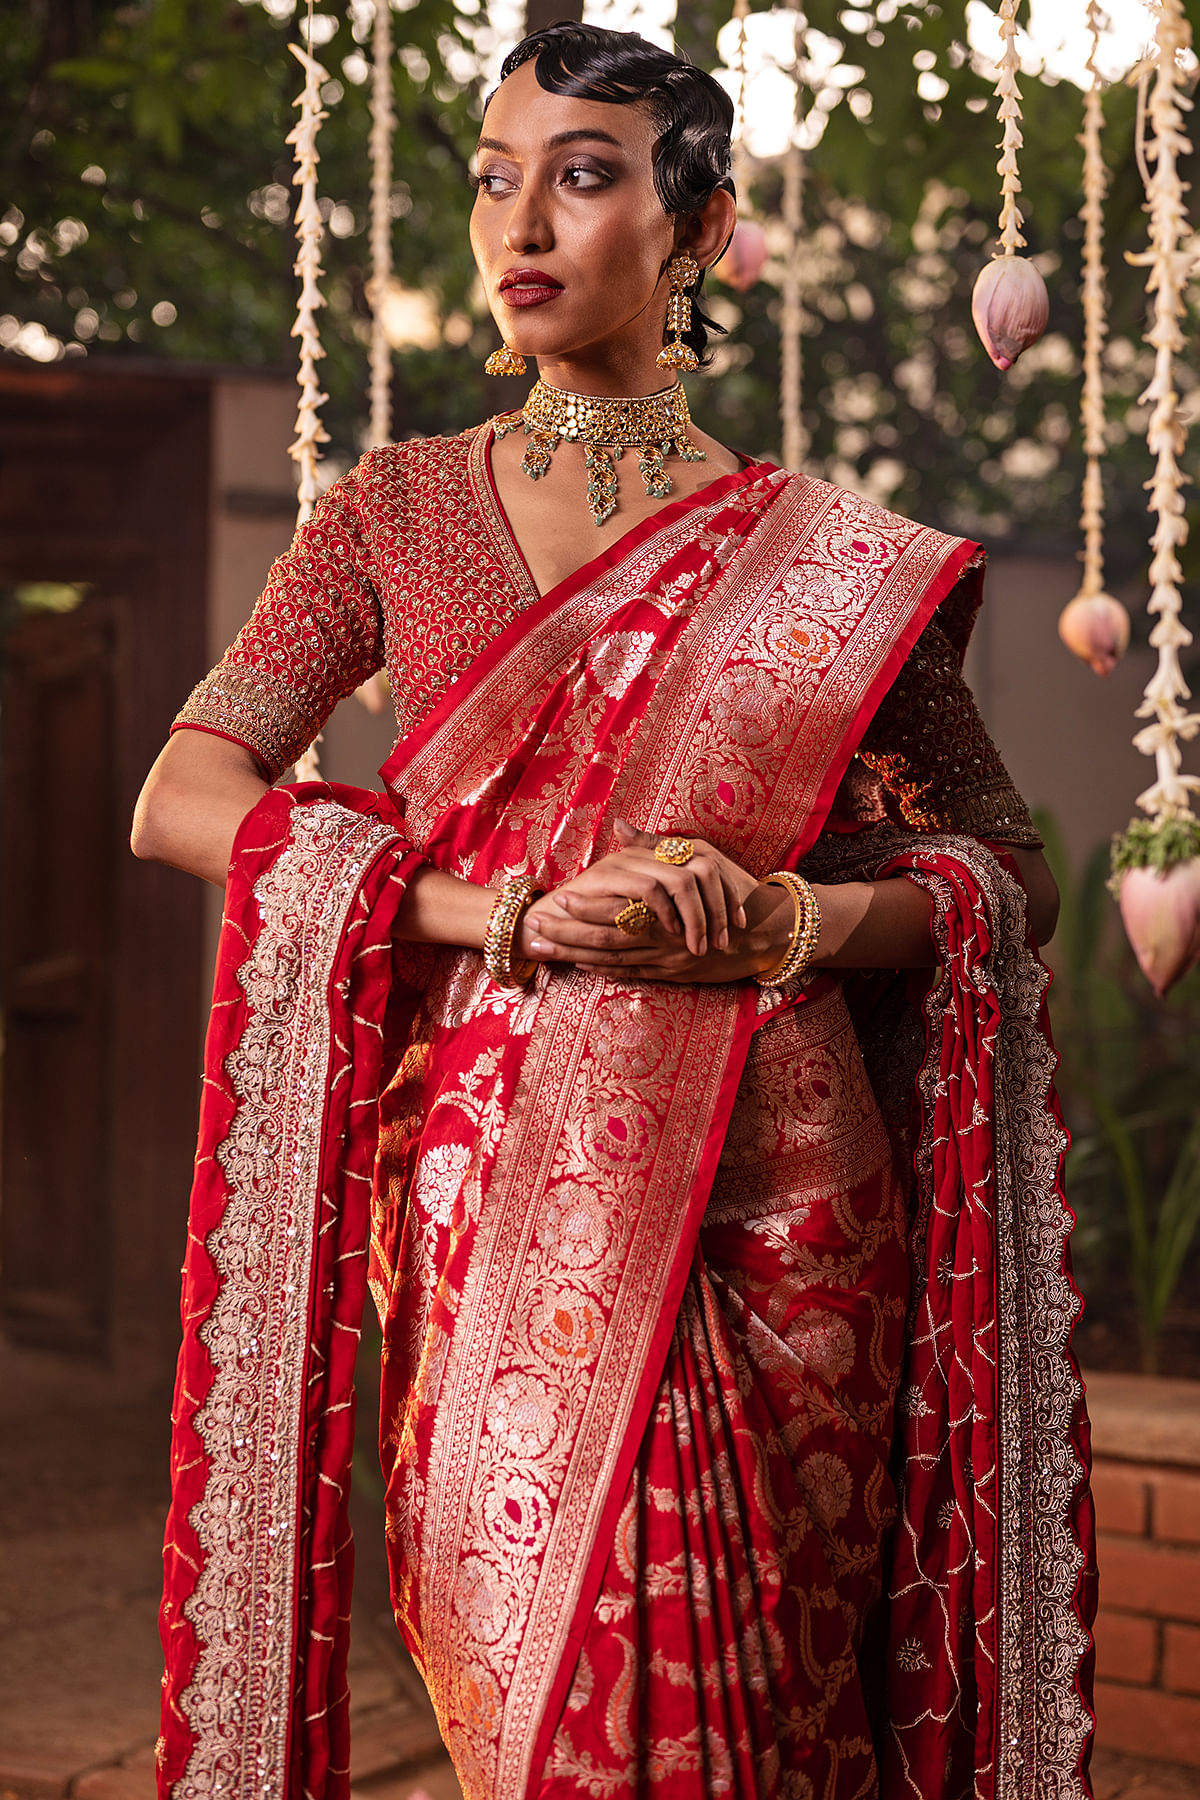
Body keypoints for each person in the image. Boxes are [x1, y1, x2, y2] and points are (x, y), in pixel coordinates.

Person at [133, 23, 1096, 1800]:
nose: (522, 222)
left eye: (581, 177)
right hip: (489, 1176)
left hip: (783, 1186)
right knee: (541, 1693)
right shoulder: (396, 511)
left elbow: (1001, 876)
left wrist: (792, 927)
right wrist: (481, 913)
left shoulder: (834, 557)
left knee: (770, 1713)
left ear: (705, 226)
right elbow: (187, 796)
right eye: (498, 179)